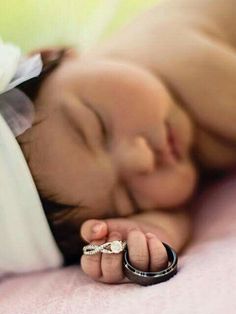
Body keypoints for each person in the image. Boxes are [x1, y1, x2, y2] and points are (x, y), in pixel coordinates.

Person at [8, 0, 236, 283]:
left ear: (51, 55)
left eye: (99, 127)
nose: (141, 158)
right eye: (129, 198)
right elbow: (174, 207)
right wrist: (149, 229)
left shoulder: (173, 54)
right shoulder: (166, 124)